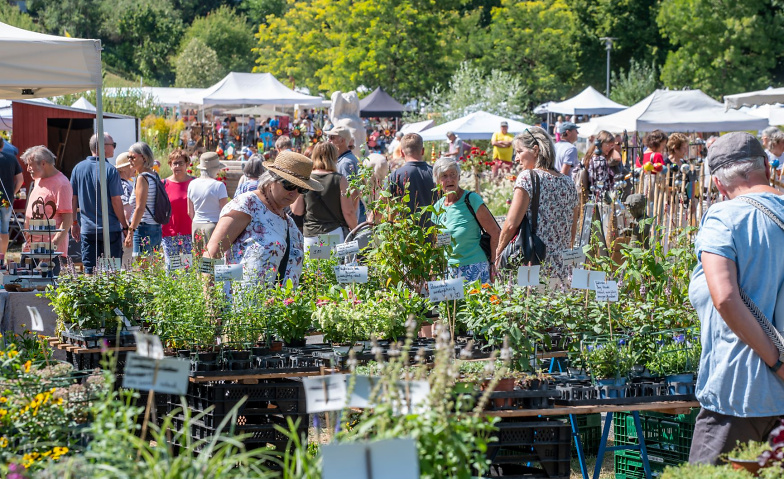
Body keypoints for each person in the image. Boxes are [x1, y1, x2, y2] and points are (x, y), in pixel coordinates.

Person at [688, 131, 784, 465]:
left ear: (717, 183)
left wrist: (777, 361)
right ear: (768, 169)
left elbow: (726, 297)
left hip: (739, 395)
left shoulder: (724, 217)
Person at [205, 151, 323, 288]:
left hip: (279, 307)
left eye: (302, 189)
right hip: (242, 306)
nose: (294, 193)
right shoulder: (247, 205)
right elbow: (211, 254)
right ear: (272, 178)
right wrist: (210, 303)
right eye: (289, 185)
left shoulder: (289, 222)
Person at [495, 127, 578, 280]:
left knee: (529, 303)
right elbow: (572, 230)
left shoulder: (528, 178)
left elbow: (511, 224)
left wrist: (498, 252)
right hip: (560, 268)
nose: (516, 158)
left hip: (534, 263)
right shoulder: (568, 182)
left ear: (535, 150)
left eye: (519, 151)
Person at [431, 157, 500, 283]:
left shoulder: (471, 200)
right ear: (437, 180)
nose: (449, 179)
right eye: (444, 176)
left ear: (458, 177)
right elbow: (437, 244)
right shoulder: (437, 207)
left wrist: (493, 264)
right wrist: (433, 272)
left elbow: (495, 232)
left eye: (453, 175)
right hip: (450, 271)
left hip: (476, 269)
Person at [71, 132, 128, 274]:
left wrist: (74, 223)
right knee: (112, 271)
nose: (114, 148)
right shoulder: (110, 170)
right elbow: (116, 201)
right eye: (113, 145)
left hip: (88, 230)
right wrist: (125, 225)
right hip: (110, 229)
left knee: (90, 271)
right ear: (102, 147)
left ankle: (91, 295)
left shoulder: (78, 168)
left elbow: (72, 198)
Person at [291, 142, 358, 248]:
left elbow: (297, 210)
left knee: (313, 265)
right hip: (333, 233)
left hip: (311, 235)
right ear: (334, 157)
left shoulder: (306, 179)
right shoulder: (339, 180)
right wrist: (355, 230)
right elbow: (348, 212)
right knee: (332, 265)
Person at [21, 146, 72, 276]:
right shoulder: (38, 180)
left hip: (49, 252)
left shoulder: (62, 184)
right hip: (30, 248)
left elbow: (67, 220)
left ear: (43, 163)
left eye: (30, 165)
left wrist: (52, 247)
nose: (27, 169)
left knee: (44, 292)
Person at [124, 142, 163, 260]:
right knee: (152, 269)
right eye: (128, 157)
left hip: (143, 228)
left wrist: (130, 232)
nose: (130, 160)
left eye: (133, 157)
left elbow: (140, 208)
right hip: (155, 227)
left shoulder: (142, 178)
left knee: (142, 271)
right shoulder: (154, 175)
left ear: (144, 157)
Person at [188, 152, 229, 256]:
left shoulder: (192, 184)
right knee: (212, 260)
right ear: (216, 169)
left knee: (198, 260)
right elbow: (225, 210)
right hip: (213, 224)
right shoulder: (219, 186)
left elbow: (189, 211)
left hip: (196, 224)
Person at [387, 133, 434, 221]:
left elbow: (383, 203)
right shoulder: (435, 173)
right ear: (423, 151)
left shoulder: (395, 175)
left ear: (401, 152)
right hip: (435, 230)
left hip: (406, 232)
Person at [161, 149, 194, 265]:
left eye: (181, 163)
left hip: (190, 233)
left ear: (187, 164)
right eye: (174, 163)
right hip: (170, 233)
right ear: (170, 165)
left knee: (188, 268)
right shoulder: (163, 184)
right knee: (172, 270)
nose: (177, 166)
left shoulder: (194, 183)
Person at [326, 125, 365, 222]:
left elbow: (352, 194)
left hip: (353, 216)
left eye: (332, 138)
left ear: (342, 141)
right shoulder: (348, 159)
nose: (328, 141)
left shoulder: (345, 163)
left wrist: (350, 219)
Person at [0, 136, 23, 266]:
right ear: (2, 146)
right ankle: (1, 260)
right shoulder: (11, 158)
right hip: (6, 200)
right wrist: (12, 193)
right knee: (4, 229)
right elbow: (20, 180)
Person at [115, 152, 135, 266]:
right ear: (124, 169)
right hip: (124, 233)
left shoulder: (118, 184)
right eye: (131, 166)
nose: (133, 168)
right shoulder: (125, 186)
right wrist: (128, 233)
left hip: (119, 233)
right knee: (126, 267)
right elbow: (126, 213)